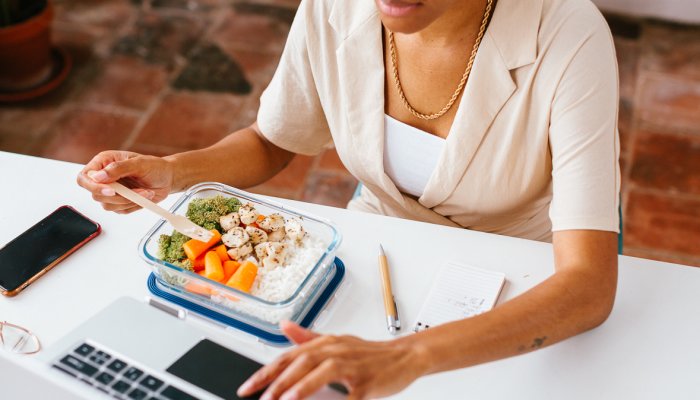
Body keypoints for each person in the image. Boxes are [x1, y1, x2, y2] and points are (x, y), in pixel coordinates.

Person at [78, 0, 621, 398]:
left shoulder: (569, 33)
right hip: (381, 252)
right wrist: (173, 172)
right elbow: (273, 141)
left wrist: (407, 357)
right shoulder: (333, 8)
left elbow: (589, 287)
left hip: (520, 276)